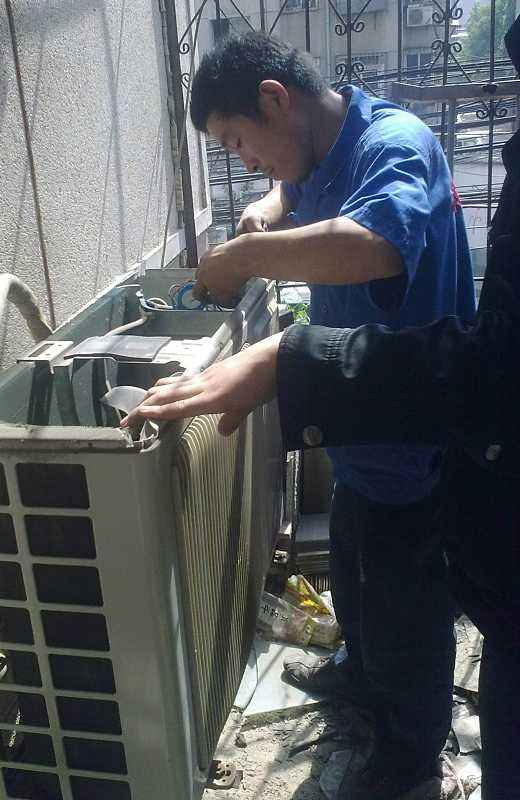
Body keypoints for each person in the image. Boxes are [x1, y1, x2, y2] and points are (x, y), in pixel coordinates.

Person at [121, 17, 520, 800]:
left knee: (407, 611)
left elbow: (373, 244)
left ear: (276, 100)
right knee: (353, 577)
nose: (244, 160)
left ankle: (408, 757)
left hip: (413, 442)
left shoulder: (396, 145)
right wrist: (269, 206)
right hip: (354, 431)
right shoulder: (319, 145)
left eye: (239, 140)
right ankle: (356, 674)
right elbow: (293, 184)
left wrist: (244, 256)